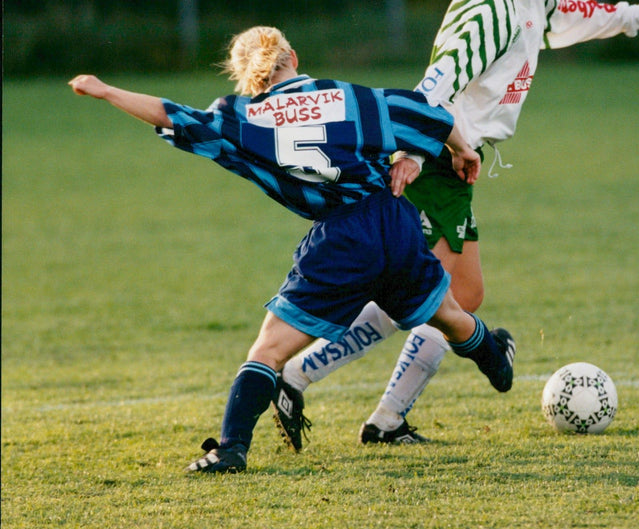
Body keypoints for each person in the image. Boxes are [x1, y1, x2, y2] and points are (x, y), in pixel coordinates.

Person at [272, 0, 639, 450]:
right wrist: (414, 151)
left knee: (443, 294)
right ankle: (314, 385)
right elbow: (442, 76)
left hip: (449, 157)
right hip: (438, 158)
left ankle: (352, 403)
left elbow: (570, 18)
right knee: (446, 295)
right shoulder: (494, 5)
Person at [68, 25, 516, 473]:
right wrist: (461, 152)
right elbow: (427, 112)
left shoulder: (240, 115)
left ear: (245, 77)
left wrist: (106, 91)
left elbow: (170, 114)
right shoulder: (348, 96)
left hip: (342, 239)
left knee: (268, 352)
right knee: (452, 317)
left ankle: (230, 449)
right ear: (293, 58)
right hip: (393, 220)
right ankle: (495, 359)